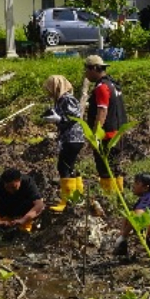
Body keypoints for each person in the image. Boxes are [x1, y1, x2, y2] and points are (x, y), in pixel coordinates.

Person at [83, 55, 128, 194]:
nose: (85, 73)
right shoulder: (113, 85)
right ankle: (118, 195)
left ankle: (109, 197)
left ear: (94, 69)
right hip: (118, 134)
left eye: (86, 70)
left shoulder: (102, 87)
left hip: (107, 136)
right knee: (115, 167)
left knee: (105, 168)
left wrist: (95, 135)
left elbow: (102, 110)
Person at [42, 74, 85, 211]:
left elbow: (74, 117)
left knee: (63, 167)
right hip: (69, 138)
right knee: (69, 166)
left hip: (73, 137)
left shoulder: (67, 99)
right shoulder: (60, 100)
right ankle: (77, 197)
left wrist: (58, 119)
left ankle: (67, 200)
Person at [115, 172, 150, 253]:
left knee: (141, 222)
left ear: (146, 188)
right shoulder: (148, 197)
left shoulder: (149, 198)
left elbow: (137, 216)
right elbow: (129, 215)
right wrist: (123, 232)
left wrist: (123, 236)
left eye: (137, 183)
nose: (133, 185)